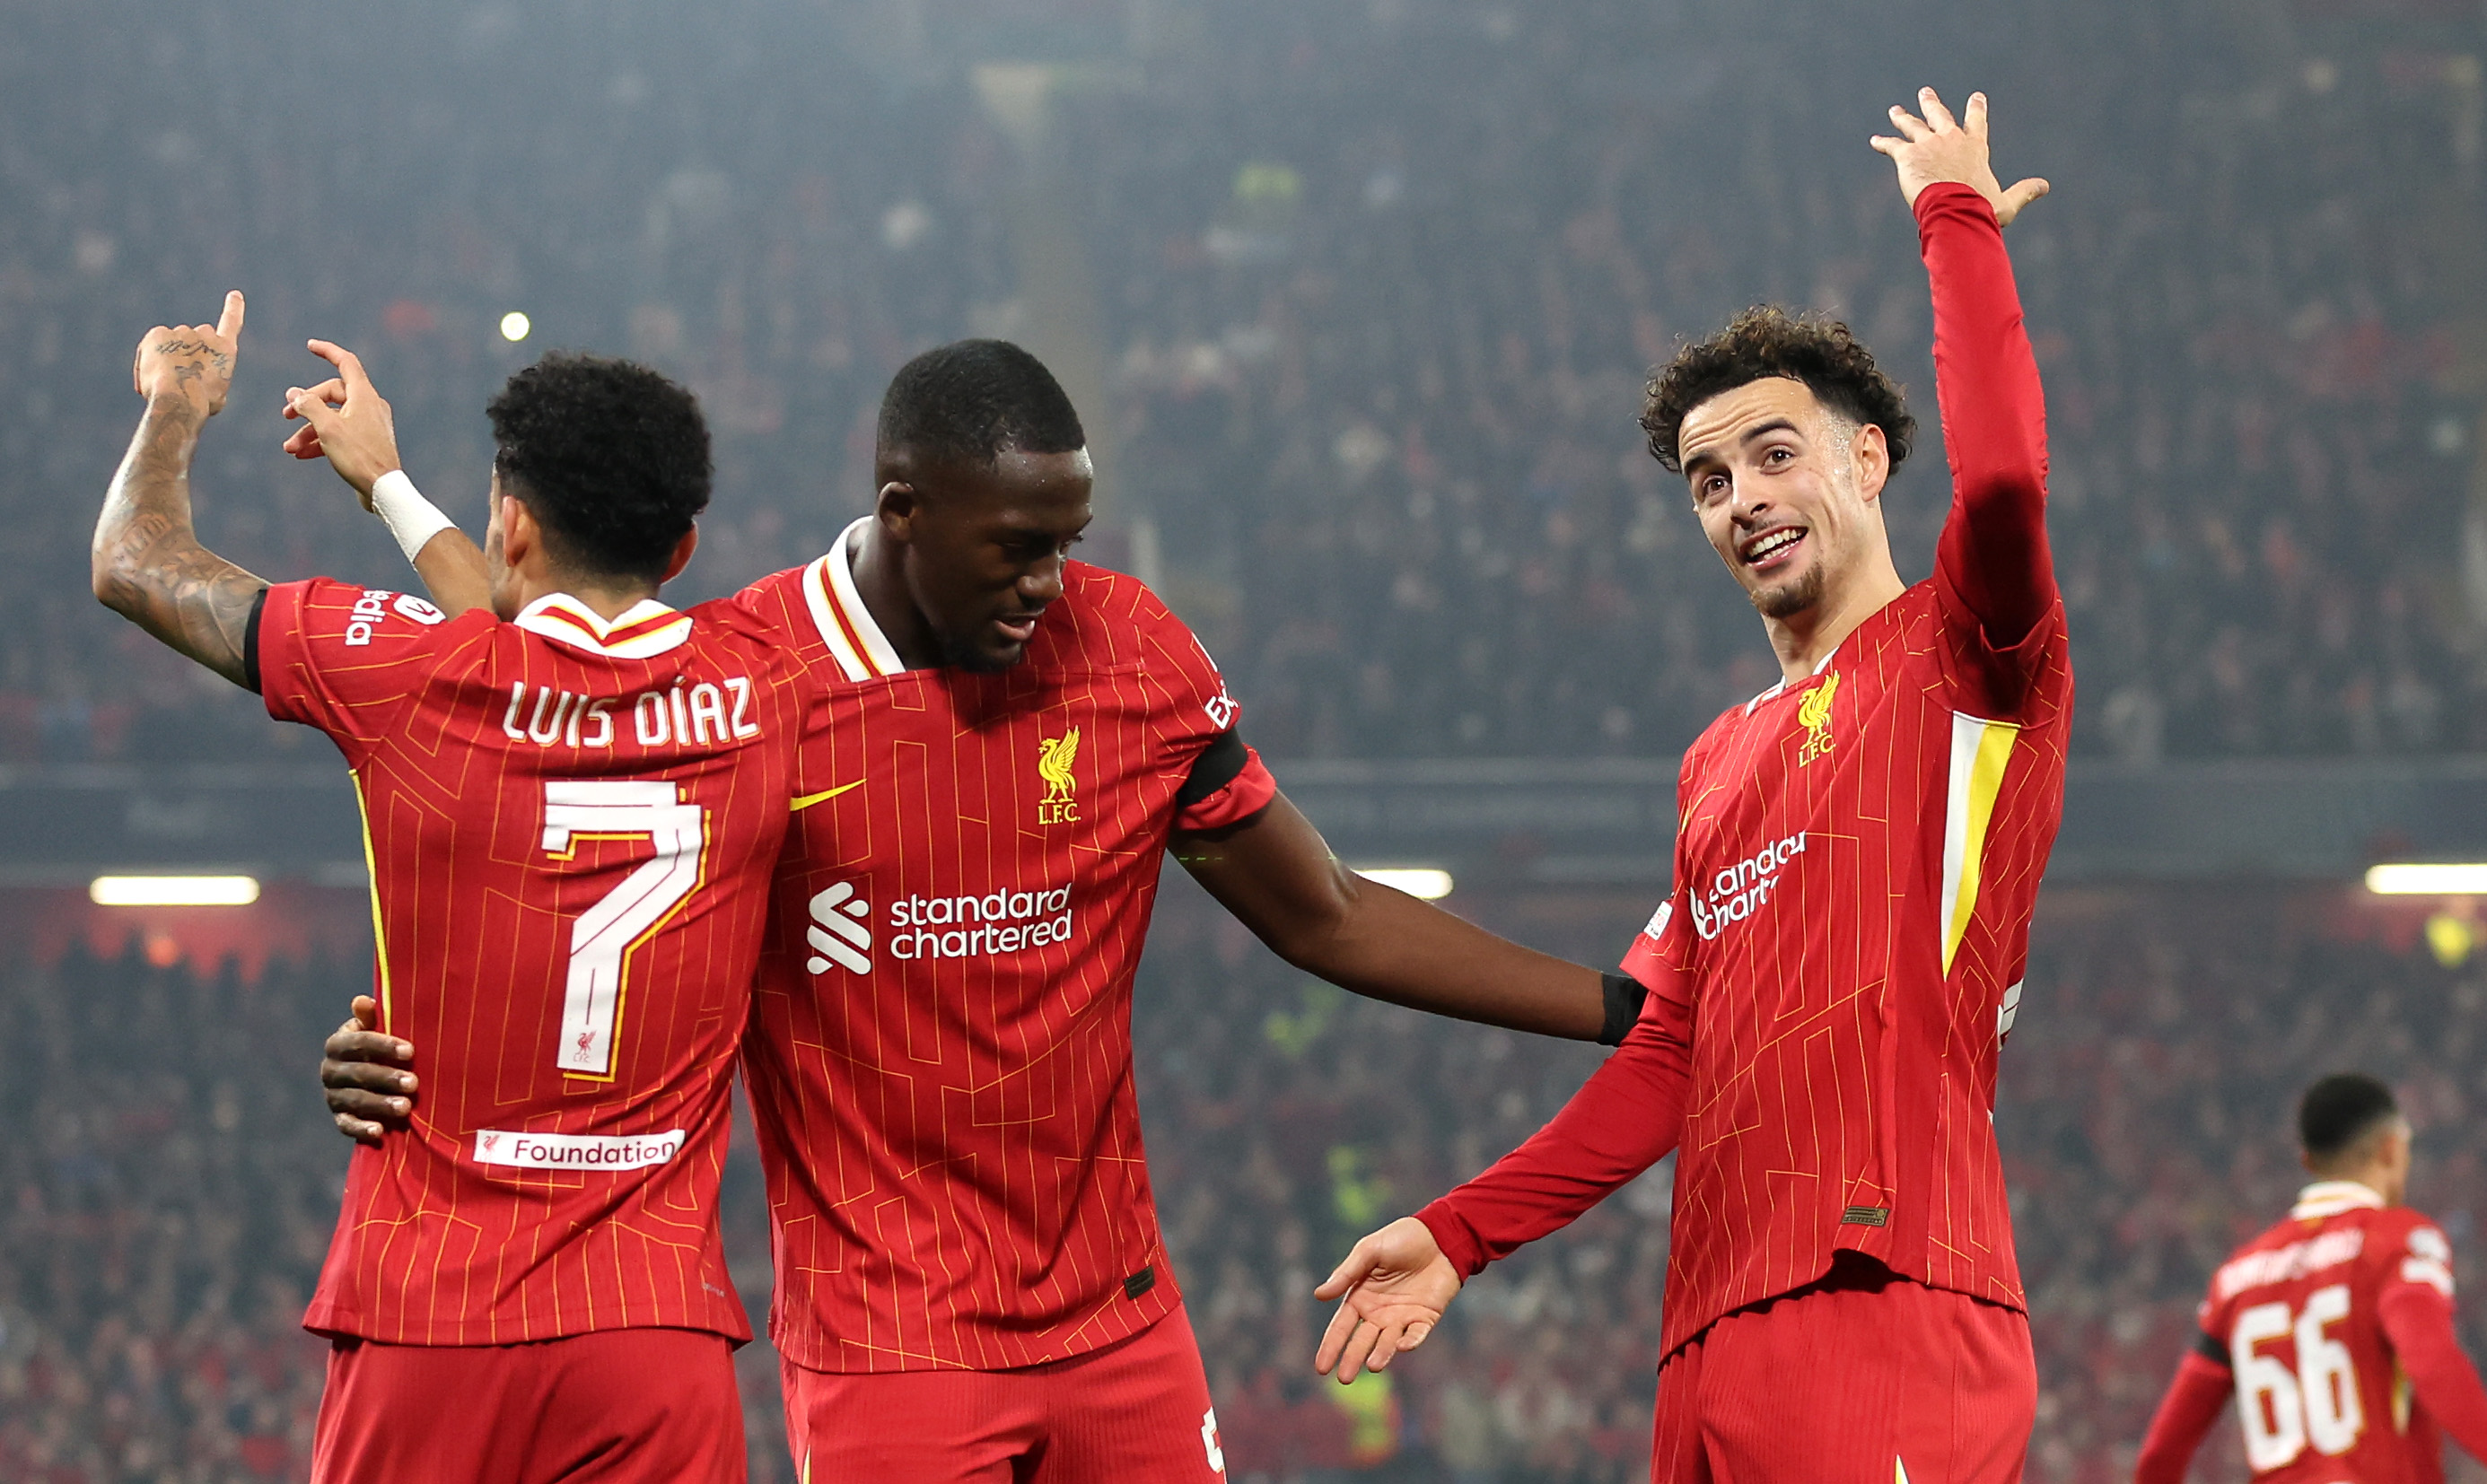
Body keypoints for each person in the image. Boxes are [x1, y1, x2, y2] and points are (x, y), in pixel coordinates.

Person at [314, 336, 1648, 1480]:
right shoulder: (751, 676)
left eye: (1066, 543)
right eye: (1015, 547)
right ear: (905, 509)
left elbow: (1328, 911)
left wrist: (1627, 1014)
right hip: (888, 1349)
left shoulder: (1128, 648)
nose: (1048, 581)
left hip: (1119, 1321)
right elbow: (519, 675)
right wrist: (418, 1042)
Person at [1309, 89, 2068, 1484]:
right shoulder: (1712, 760)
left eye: (1773, 454)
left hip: (1885, 1289)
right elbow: (1669, 1055)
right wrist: (1465, 1228)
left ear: (1865, 458)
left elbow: (2009, 481)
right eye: (1705, 477)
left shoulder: (1965, 654)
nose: (1739, 497)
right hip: (1706, 1333)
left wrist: (1952, 216)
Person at [94, 296, 806, 1481]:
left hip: (428, 1315)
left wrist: (176, 400)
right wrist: (389, 486)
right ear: (680, 549)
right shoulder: (770, 686)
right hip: (653, 1335)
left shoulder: (415, 675)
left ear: (512, 521)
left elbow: (135, 561)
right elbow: (546, 645)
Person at [2132, 1073, 2487, 1482]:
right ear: (2391, 1149)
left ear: (2308, 1162)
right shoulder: (2397, 1240)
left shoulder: (2236, 1278)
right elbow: (2431, 1361)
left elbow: (2163, 1451)